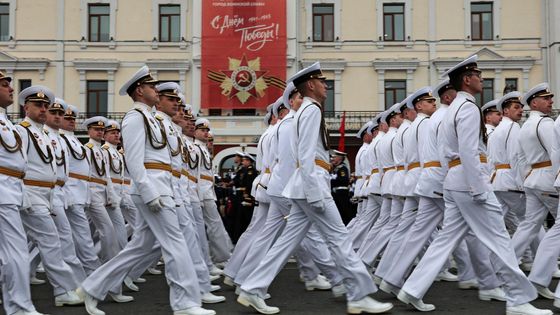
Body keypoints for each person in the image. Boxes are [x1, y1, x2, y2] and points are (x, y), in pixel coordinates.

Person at [397, 55, 550, 315]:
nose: (482, 79)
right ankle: (517, 300)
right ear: (467, 80)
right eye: (478, 75)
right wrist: (479, 188)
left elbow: (450, 152)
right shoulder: (467, 108)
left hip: (455, 180)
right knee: (499, 238)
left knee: (445, 240)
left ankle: (412, 289)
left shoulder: (452, 108)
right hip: (470, 181)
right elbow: (468, 151)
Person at [238, 62, 393, 314]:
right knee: (339, 239)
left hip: (303, 186)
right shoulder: (311, 110)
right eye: (322, 81)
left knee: (286, 242)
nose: (326, 86)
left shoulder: (305, 111)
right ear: (310, 85)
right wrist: (314, 192)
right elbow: (306, 154)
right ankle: (359, 294)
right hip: (311, 185)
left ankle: (252, 288)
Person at [78, 65, 214, 315]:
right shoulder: (134, 118)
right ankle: (185, 303)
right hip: (152, 189)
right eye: (152, 86)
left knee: (140, 246)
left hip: (163, 188)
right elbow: (134, 158)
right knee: (176, 243)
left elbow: (169, 162)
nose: (156, 90)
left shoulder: (152, 118)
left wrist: (172, 190)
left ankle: (92, 286)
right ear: (140, 90)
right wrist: (148, 189)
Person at [16, 85, 82, 307]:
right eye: (38, 105)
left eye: (46, 106)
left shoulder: (44, 134)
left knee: (22, 245)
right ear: (26, 107)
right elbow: (18, 165)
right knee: (50, 241)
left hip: (49, 193)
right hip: (31, 193)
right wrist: (23, 193)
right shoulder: (22, 131)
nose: (43, 109)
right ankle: (63, 290)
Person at [0, 71, 46, 315]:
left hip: (12, 189)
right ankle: (18, 307)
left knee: (12, 252)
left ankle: (15, 304)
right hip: (2, 191)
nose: (10, 89)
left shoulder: (7, 121)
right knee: (15, 251)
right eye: (4, 85)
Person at [60, 104, 102, 276]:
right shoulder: (60, 139)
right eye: (67, 118)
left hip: (80, 193)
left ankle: (89, 271)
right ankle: (92, 272)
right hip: (70, 193)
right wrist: (67, 194)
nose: (71, 121)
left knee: (75, 237)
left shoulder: (73, 140)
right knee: (79, 237)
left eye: (73, 119)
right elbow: (64, 170)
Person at [194, 118, 233, 270]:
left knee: (213, 225)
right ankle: (222, 257)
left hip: (207, 191)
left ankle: (219, 257)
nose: (206, 135)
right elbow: (195, 174)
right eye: (202, 131)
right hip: (201, 192)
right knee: (214, 225)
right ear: (195, 131)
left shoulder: (203, 149)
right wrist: (198, 194)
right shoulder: (196, 149)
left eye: (207, 132)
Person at [330, 149, 351, 224]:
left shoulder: (342, 168)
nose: (332, 159)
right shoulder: (335, 168)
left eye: (334, 157)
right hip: (336, 194)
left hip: (341, 194)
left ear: (340, 158)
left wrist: (331, 181)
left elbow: (343, 180)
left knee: (342, 212)